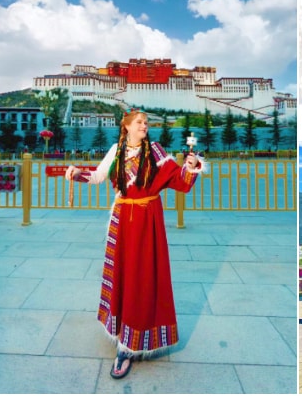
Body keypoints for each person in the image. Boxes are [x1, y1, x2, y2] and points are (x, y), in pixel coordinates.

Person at [65, 109, 204, 379]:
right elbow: (97, 176)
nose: (144, 126)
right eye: (139, 122)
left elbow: (181, 183)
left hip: (147, 222)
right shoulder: (116, 150)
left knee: (142, 278)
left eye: (146, 123)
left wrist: (190, 165)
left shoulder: (156, 151)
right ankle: (121, 333)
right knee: (122, 277)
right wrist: (76, 173)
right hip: (121, 222)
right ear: (126, 126)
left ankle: (129, 345)